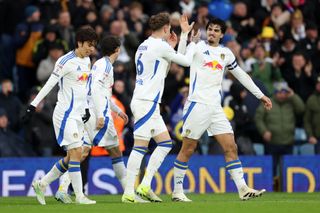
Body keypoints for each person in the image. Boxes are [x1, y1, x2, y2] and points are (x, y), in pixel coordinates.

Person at [172, 17, 273, 202]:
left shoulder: (226, 54)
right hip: (197, 105)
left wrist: (260, 95)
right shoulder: (197, 46)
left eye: (216, 30)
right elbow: (182, 60)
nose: (212, 32)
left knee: (231, 147)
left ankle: (242, 188)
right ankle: (177, 191)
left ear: (222, 34)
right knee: (188, 148)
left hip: (215, 108)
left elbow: (242, 75)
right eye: (210, 29)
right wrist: (185, 35)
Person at [121, 12, 197, 203]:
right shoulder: (159, 46)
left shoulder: (144, 45)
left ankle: (145, 186)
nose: (171, 32)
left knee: (165, 144)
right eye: (170, 29)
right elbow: (186, 61)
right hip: (146, 101)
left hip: (147, 102)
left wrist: (172, 46)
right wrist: (189, 39)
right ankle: (129, 193)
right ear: (165, 28)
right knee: (140, 147)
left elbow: (163, 70)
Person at [23, 27, 98, 205]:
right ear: (79, 42)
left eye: (94, 46)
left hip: (79, 115)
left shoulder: (87, 60)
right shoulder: (65, 61)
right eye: (89, 45)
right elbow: (49, 83)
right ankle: (79, 196)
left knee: (73, 157)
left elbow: (84, 88)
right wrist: (33, 105)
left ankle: (42, 183)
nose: (91, 49)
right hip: (65, 114)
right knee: (77, 152)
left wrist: (86, 108)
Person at [54, 35, 130, 204]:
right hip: (97, 114)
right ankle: (129, 192)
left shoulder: (99, 64)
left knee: (82, 152)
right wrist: (102, 116)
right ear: (117, 49)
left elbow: (101, 93)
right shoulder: (106, 67)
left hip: (90, 112)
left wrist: (117, 110)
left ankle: (62, 188)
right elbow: (95, 90)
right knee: (115, 151)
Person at [304, 75, 320, 154]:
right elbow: (307, 120)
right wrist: (310, 135)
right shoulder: (311, 99)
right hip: (317, 139)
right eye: (318, 84)